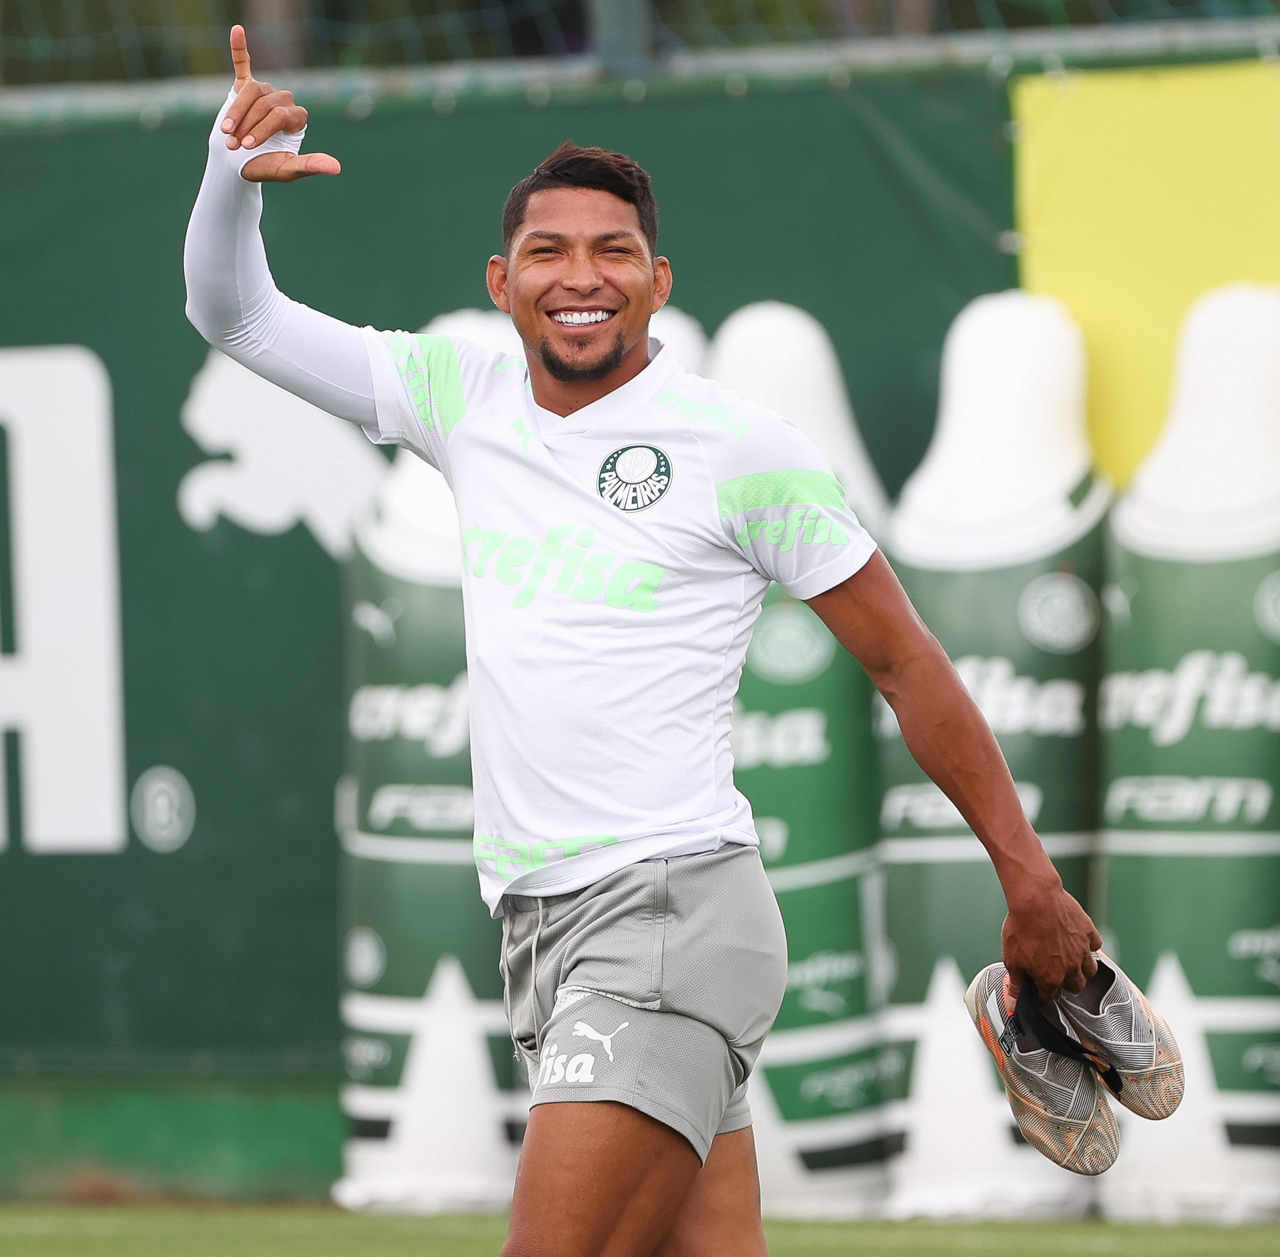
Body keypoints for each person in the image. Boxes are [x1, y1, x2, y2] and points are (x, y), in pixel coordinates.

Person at [185, 27, 1102, 1257]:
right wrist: (228, 173)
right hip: (540, 925)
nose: (582, 275)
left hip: (667, 916)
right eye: (548, 251)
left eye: (613, 251)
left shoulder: (741, 449)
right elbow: (234, 315)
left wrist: (1027, 880)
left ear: (658, 281)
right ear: (501, 281)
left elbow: (905, 664)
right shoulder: (459, 396)